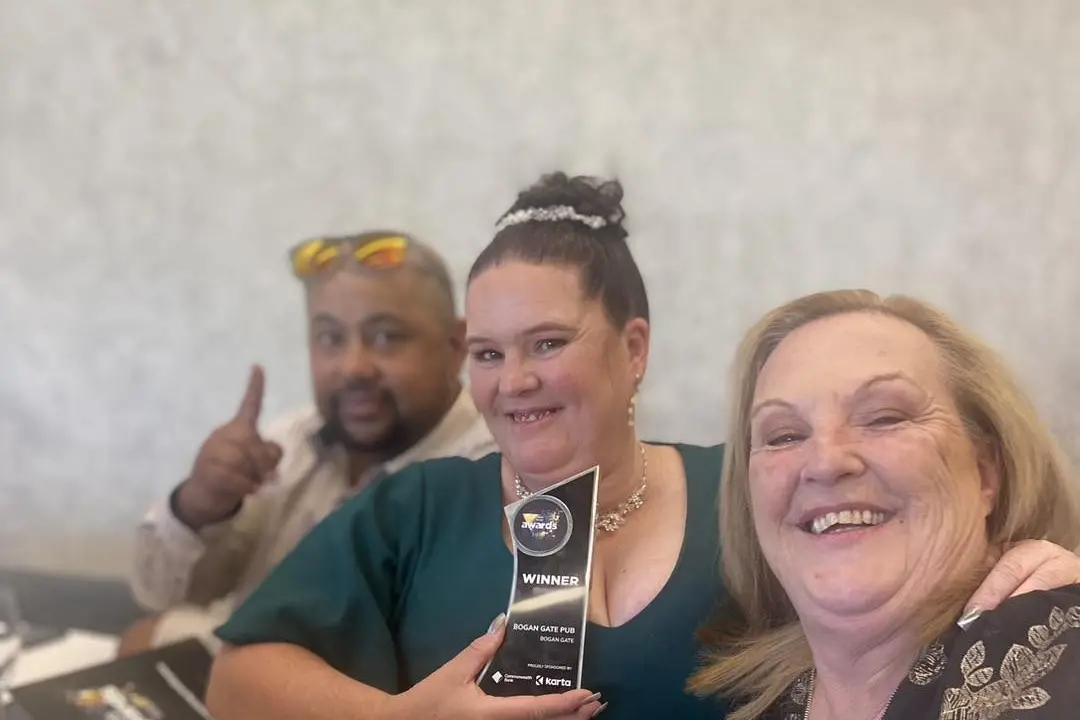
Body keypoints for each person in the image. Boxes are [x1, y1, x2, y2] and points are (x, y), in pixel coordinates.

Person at [204, 175, 1080, 720]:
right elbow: (238, 678)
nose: (513, 380)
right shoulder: (419, 508)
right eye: (486, 353)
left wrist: (1032, 567)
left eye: (547, 344)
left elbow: (906, 569)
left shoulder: (753, 497)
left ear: (633, 350)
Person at [689, 289, 1080, 719]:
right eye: (784, 436)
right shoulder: (756, 704)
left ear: (986, 473)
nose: (826, 462)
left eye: (885, 418)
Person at [122, 231, 496, 655]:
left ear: (454, 346)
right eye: (331, 338)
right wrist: (200, 506)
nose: (354, 367)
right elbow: (160, 595)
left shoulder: (489, 473)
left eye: (386, 337)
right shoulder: (289, 443)